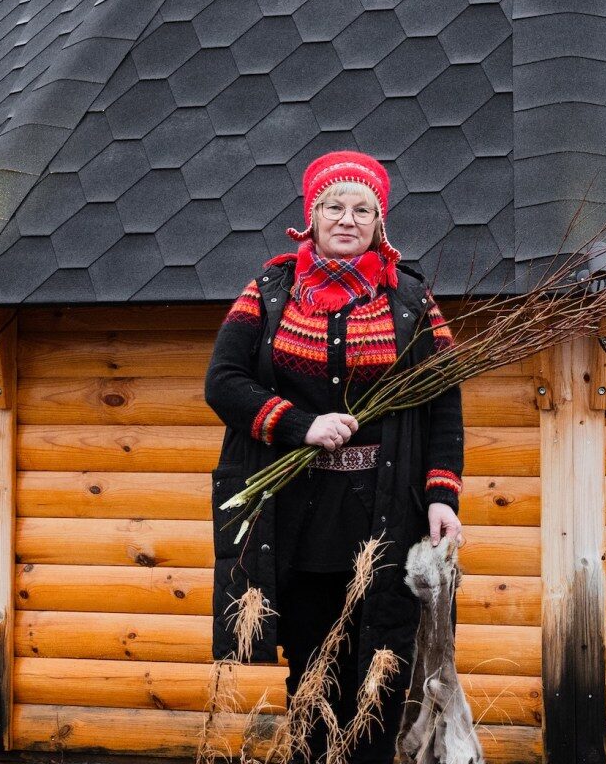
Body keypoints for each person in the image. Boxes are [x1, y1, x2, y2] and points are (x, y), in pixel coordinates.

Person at [204, 149, 465, 764]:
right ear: (311, 215)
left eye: (362, 209)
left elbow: (443, 401)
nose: (347, 219)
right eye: (333, 206)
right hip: (295, 518)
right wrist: (299, 425)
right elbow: (224, 381)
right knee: (312, 669)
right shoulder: (270, 291)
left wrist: (441, 495)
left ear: (380, 222)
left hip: (384, 514)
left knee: (379, 668)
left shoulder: (410, 299)